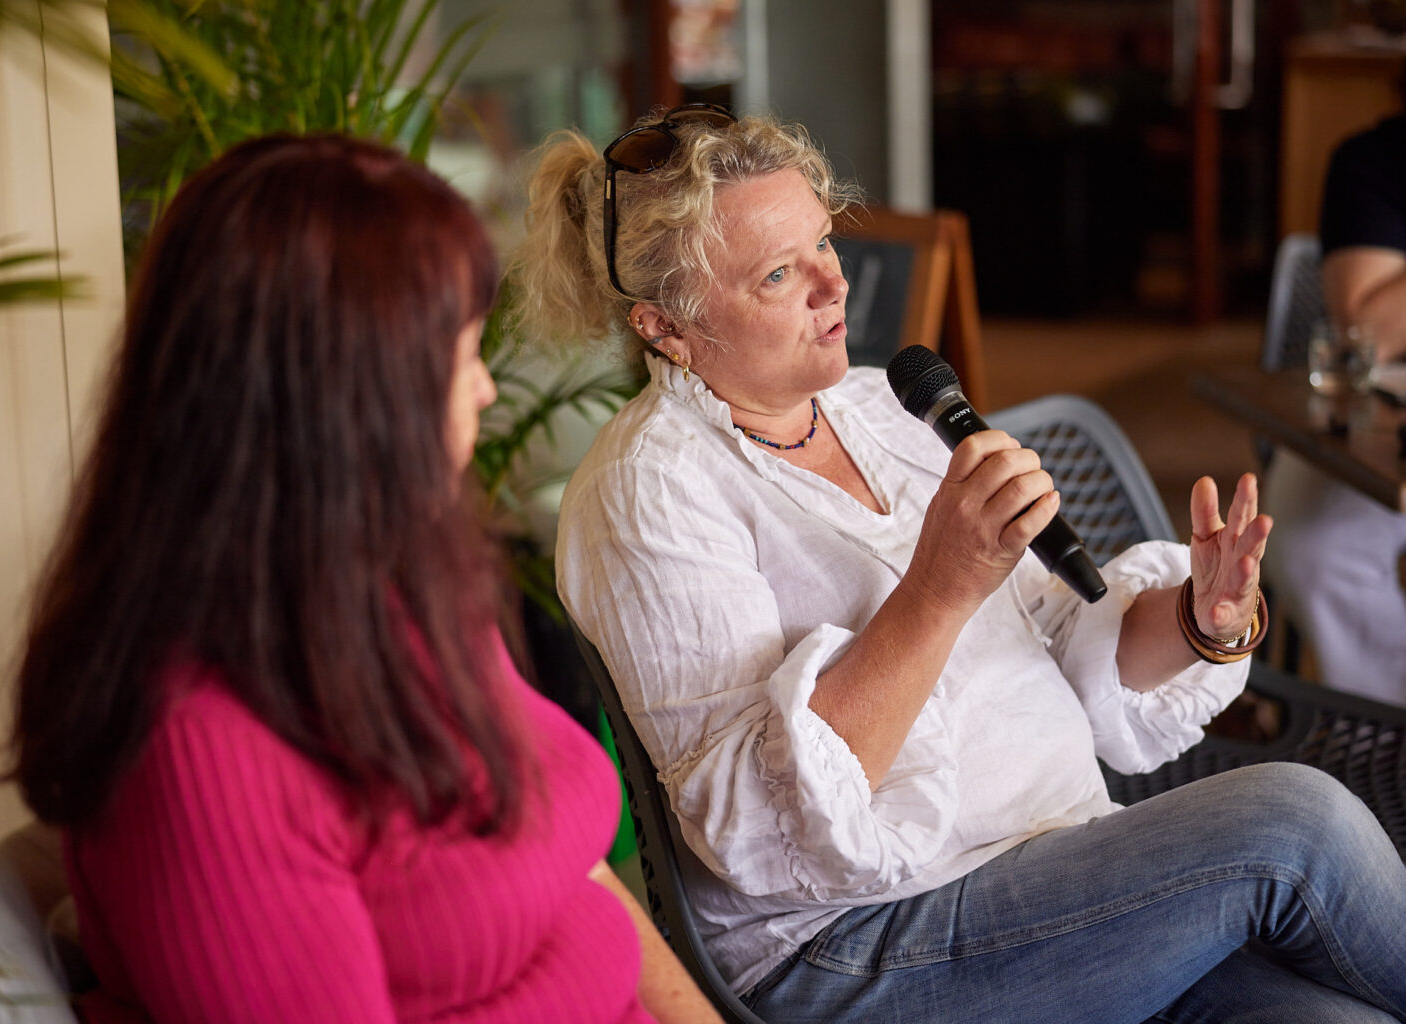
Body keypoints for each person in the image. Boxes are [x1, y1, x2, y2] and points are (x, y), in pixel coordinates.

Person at [513, 106, 1406, 1023]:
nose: (833, 285)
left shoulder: (881, 408)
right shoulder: (648, 489)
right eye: (779, 274)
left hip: (1066, 873)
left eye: (824, 243)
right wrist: (940, 586)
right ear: (664, 326)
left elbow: (1063, 640)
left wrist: (1193, 620)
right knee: (1296, 823)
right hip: (855, 945)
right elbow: (754, 824)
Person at [4, 134, 721, 1024]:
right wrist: (590, 949)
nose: (486, 395)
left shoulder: (395, 594)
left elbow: (567, 862)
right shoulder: (199, 744)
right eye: (458, 359)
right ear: (350, 403)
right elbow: (584, 909)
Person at [1263, 111, 1406, 703]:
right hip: (1385, 395)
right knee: (1310, 540)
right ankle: (1381, 740)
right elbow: (1366, 328)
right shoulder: (1375, 157)